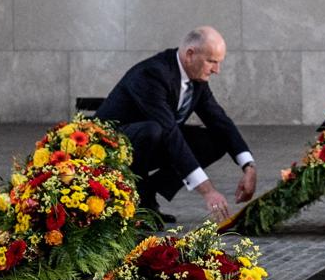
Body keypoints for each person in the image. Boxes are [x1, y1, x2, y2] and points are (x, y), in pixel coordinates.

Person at [96, 26, 257, 223]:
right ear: (190, 54)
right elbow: (169, 132)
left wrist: (249, 167)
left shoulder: (196, 79)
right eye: (212, 62)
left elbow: (219, 120)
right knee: (153, 130)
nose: (217, 70)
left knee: (216, 140)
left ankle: (147, 191)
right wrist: (208, 191)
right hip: (110, 146)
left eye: (219, 62)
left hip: (153, 139)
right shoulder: (153, 73)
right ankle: (137, 202)